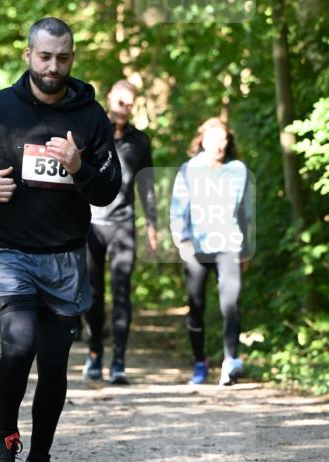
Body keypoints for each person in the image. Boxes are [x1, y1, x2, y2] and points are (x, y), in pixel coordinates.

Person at [0, 17, 121, 462]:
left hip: (65, 259)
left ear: (71, 58)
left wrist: (80, 167)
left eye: (62, 58)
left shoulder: (90, 117)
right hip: (9, 253)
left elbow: (109, 189)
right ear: (28, 56)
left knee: (54, 366)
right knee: (18, 345)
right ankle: (5, 436)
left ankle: (40, 461)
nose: (53, 66)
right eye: (44, 56)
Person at [83, 80, 157, 385]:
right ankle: (95, 354)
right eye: (120, 101)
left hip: (123, 225)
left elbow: (147, 185)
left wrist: (152, 224)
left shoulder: (140, 141)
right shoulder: (90, 131)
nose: (125, 108)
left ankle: (119, 362)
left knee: (122, 294)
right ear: (110, 98)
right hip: (90, 225)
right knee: (93, 295)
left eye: (130, 103)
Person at [170, 117, 253, 386]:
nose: (219, 146)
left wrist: (247, 249)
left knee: (231, 303)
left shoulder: (238, 170)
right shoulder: (189, 170)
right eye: (214, 140)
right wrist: (182, 240)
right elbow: (177, 209)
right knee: (196, 307)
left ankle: (230, 362)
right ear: (203, 141)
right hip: (197, 247)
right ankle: (200, 362)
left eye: (224, 141)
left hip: (229, 245)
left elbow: (246, 212)